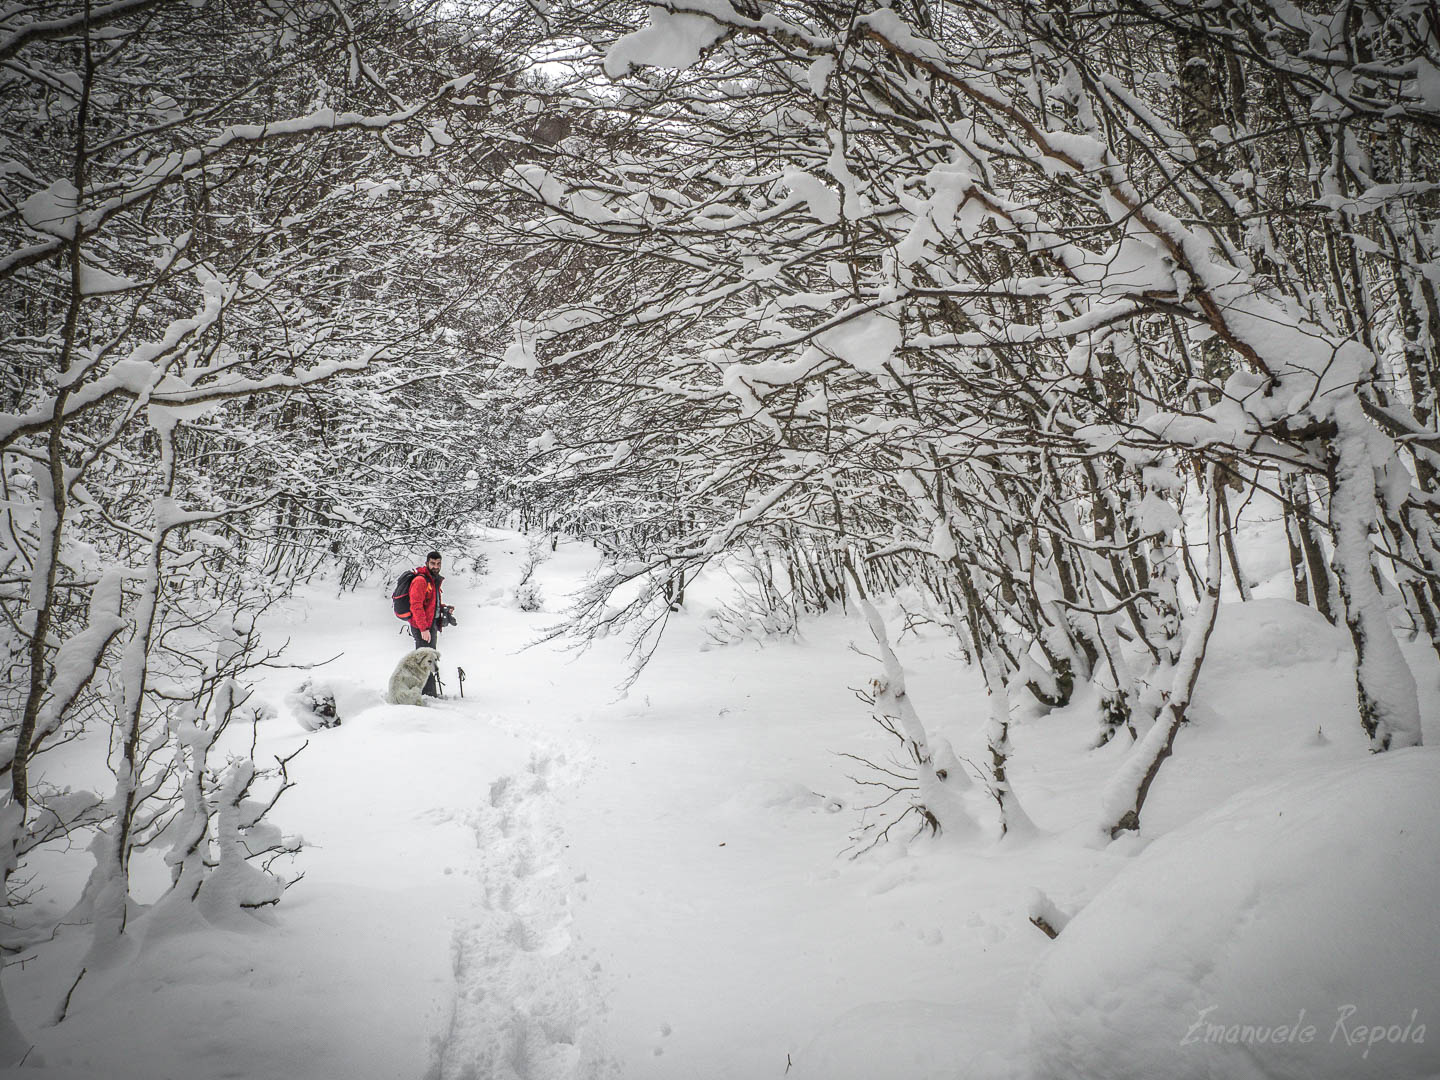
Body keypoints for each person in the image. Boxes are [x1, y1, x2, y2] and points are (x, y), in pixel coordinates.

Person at [407, 550, 450, 697]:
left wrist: (444, 609)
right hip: (422, 626)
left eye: (438, 564)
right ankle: (427, 694)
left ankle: (428, 693)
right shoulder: (421, 580)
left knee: (429, 659)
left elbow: (430, 603)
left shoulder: (433, 580)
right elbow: (416, 605)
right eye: (432, 563)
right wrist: (423, 628)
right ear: (427, 563)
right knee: (426, 661)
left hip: (430, 624)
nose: (436, 566)